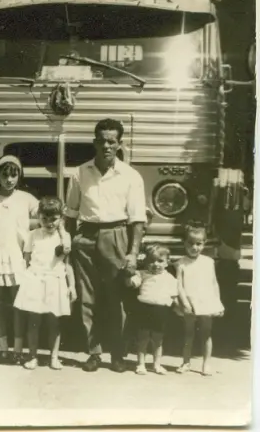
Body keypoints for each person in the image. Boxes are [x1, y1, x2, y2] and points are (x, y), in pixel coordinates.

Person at [64, 118, 147, 373]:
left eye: (111, 141)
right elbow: (70, 214)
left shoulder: (130, 176)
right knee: (87, 298)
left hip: (116, 236)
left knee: (117, 298)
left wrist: (133, 253)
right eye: (101, 141)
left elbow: (137, 219)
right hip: (86, 237)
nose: (106, 146)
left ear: (119, 144)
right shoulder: (79, 173)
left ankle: (118, 354)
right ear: (94, 142)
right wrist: (68, 247)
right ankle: (94, 352)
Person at [0, 155, 38, 364]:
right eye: (5, 175)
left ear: (19, 176)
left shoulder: (26, 199)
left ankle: (17, 349)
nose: (9, 180)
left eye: (14, 175)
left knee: (17, 304)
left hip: (17, 257)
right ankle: (3, 348)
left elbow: (46, 216)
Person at [13, 197, 73, 371]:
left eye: (53, 219)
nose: (49, 223)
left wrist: (71, 286)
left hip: (55, 280)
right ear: (38, 216)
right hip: (35, 280)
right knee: (34, 321)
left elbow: (67, 264)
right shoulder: (32, 235)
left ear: (61, 218)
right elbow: (26, 260)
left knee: (54, 322)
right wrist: (24, 281)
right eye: (44, 218)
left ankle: (54, 357)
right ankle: (32, 356)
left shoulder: (64, 237)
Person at [176, 221, 224, 376]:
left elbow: (214, 283)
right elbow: (179, 285)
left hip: (206, 302)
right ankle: (186, 362)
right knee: (188, 333)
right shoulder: (181, 263)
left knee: (206, 333)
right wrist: (185, 303)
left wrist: (218, 303)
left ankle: (206, 363)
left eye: (199, 244)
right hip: (189, 303)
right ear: (184, 242)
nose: (194, 247)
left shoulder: (209, 262)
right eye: (190, 243)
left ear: (204, 243)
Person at [128, 245, 178, 375]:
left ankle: (157, 364)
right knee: (143, 338)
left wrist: (178, 306)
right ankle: (141, 364)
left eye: (160, 261)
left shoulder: (169, 278)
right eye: (151, 261)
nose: (156, 264)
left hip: (161, 310)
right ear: (146, 261)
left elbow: (174, 294)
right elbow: (133, 282)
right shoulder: (143, 274)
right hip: (144, 309)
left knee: (158, 340)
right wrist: (131, 279)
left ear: (167, 262)